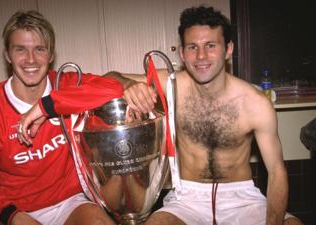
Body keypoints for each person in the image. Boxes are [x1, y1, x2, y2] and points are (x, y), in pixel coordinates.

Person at [105, 6, 305, 225]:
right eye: (193, 47)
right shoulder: (171, 85)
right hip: (187, 199)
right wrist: (129, 85)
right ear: (182, 53)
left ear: (228, 49)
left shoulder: (255, 103)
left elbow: (276, 171)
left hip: (243, 200)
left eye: (210, 45)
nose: (201, 56)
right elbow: (107, 78)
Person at [0, 10, 123, 225]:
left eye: (39, 49)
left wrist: (49, 106)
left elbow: (114, 88)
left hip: (68, 203)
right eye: (20, 50)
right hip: (12, 208)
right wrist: (12, 216)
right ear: (7, 55)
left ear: (51, 55)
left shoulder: (66, 85)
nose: (31, 59)